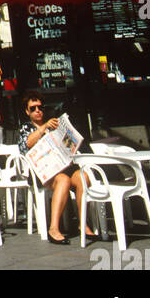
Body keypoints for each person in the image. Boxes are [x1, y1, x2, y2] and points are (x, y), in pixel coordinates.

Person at [18, 92, 91, 244]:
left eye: (40, 107)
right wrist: (44, 127)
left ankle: (83, 223)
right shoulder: (26, 127)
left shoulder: (53, 124)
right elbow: (28, 144)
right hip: (41, 171)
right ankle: (54, 228)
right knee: (63, 180)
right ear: (27, 111)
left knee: (83, 178)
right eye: (33, 108)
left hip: (62, 166)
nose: (38, 110)